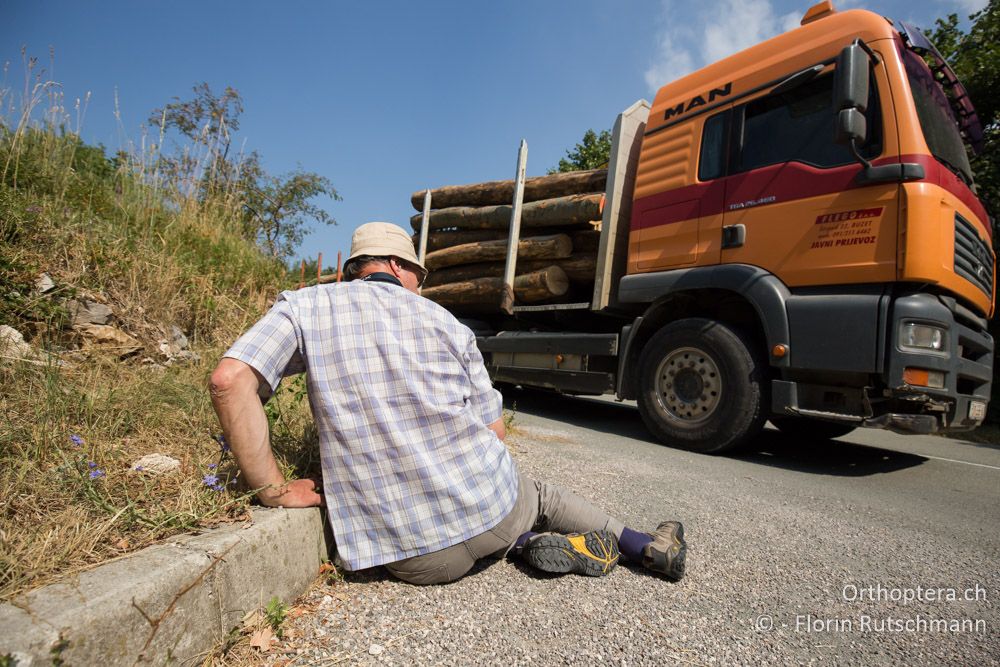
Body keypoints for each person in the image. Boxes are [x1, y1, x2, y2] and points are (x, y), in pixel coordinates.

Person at [209, 221, 687, 585]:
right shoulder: (447, 323)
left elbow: (229, 381)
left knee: (496, 524)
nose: (420, 281)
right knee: (539, 495)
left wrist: (270, 489)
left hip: (415, 559)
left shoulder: (305, 307)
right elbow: (495, 434)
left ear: (355, 269)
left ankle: (529, 544)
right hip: (490, 515)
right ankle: (643, 544)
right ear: (397, 266)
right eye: (419, 271)